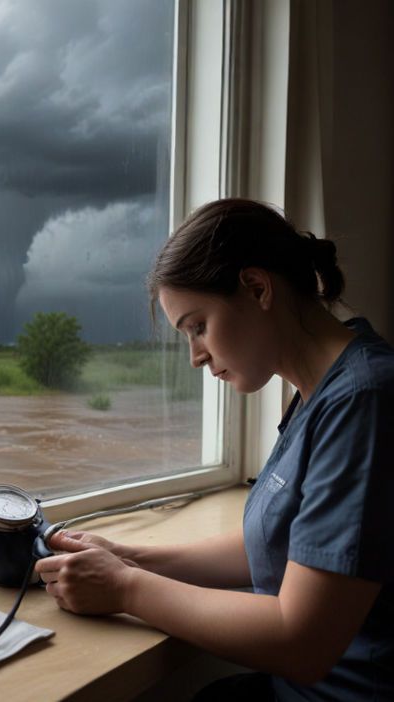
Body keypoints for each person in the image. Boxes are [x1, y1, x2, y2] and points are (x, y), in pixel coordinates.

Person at [34, 198, 394, 701]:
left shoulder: (363, 399)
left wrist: (124, 588)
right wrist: (131, 557)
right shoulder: (323, 389)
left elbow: (304, 641)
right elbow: (285, 541)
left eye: (197, 326)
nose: (196, 357)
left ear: (256, 287)